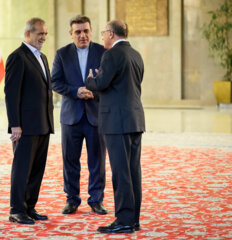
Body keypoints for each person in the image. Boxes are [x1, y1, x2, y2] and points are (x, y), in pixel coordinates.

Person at [86, 20, 145, 234]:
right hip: (135, 120)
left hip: (116, 122)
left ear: (111, 33)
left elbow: (101, 84)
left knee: (121, 173)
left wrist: (91, 79)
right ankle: (133, 219)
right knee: (132, 171)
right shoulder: (136, 55)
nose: (102, 37)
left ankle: (124, 220)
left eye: (103, 33)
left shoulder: (111, 54)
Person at [51, 15, 107, 215]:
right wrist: (76, 91)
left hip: (95, 116)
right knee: (70, 160)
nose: (82, 35)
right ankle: (72, 199)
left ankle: (96, 200)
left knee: (97, 161)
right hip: (71, 116)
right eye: (78, 32)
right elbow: (55, 82)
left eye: (86, 31)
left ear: (91, 31)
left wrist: (96, 91)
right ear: (71, 34)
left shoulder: (103, 52)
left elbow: (110, 81)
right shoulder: (62, 54)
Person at [4, 17, 54, 225]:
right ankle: (17, 210)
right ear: (28, 34)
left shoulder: (42, 57)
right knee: (22, 168)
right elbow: (11, 93)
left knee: (36, 169)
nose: (43, 37)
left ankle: (29, 207)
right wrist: (15, 124)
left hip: (43, 124)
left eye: (45, 34)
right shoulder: (18, 57)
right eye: (39, 33)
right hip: (24, 126)